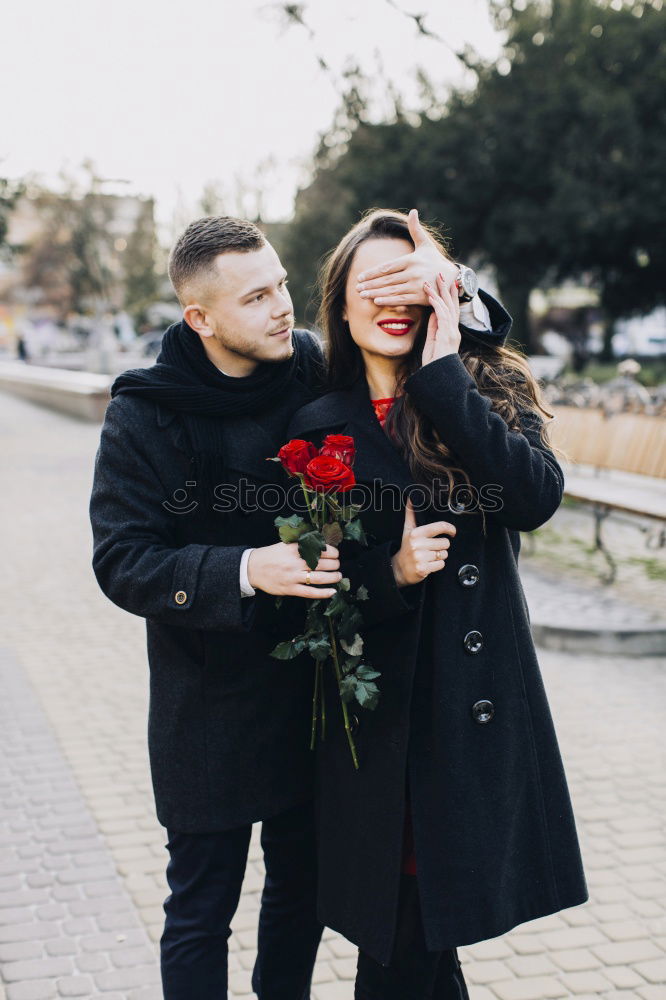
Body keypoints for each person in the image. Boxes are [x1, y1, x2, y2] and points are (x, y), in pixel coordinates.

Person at [88, 213, 500, 999]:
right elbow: (121, 561)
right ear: (200, 318)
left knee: (299, 904)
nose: (283, 307)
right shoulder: (143, 411)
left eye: (281, 283)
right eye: (256, 298)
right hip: (203, 706)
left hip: (315, 701)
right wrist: (247, 568)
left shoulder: (312, 369)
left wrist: (448, 283)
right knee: (201, 913)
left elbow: (427, 344)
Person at [287, 209, 588, 1000]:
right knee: (406, 941)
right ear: (342, 309)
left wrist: (444, 369)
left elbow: (533, 498)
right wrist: (393, 572)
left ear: (439, 293)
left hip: (468, 720)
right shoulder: (318, 427)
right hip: (383, 728)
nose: (390, 303)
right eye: (370, 287)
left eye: (407, 282)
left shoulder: (485, 388)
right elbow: (314, 601)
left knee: (413, 939)